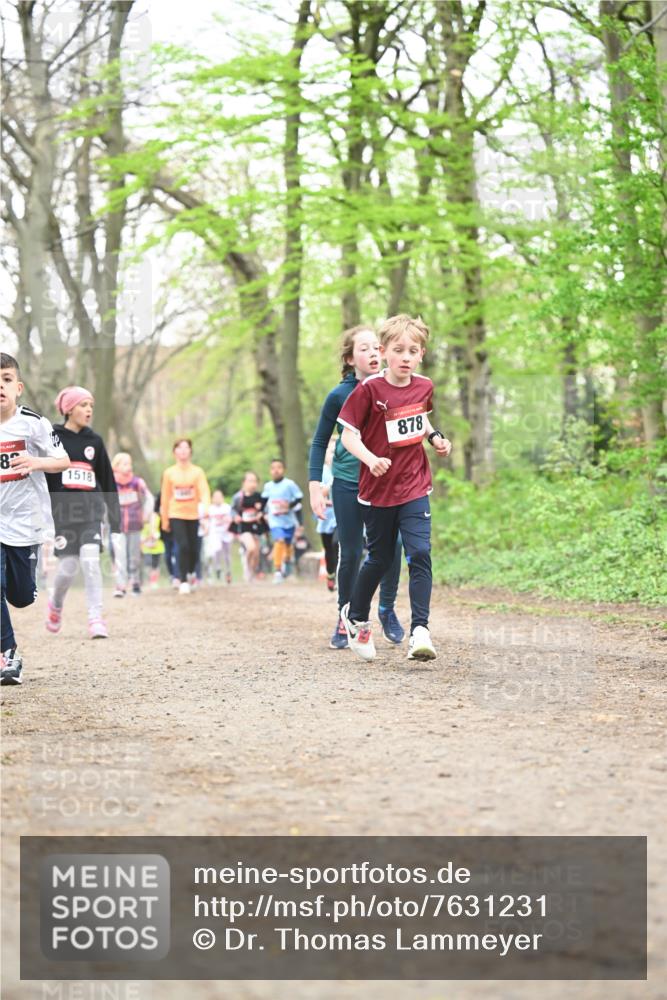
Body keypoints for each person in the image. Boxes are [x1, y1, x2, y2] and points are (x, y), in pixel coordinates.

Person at [338, 314, 451, 661]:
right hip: (377, 489)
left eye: (412, 351)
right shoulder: (368, 390)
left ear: (421, 355)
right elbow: (347, 435)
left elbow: (420, 415)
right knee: (381, 558)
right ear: (384, 352)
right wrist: (371, 459)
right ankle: (354, 617)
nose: (405, 356)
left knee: (419, 553)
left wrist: (434, 437)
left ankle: (421, 630)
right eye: (398, 350)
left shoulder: (424, 386)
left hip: (415, 483)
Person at [309, 325, 405, 650]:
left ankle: (386, 607)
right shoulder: (339, 395)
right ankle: (345, 615)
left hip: (385, 482)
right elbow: (321, 441)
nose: (374, 353)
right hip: (349, 481)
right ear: (351, 359)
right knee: (350, 551)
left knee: (393, 547)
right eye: (364, 349)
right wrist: (313, 486)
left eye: (377, 347)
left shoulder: (394, 387)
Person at [0, 354, 70, 684]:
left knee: (20, 596)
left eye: (6, 379)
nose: (0, 385)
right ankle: (7, 655)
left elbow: (63, 461)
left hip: (25, 522)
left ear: (18, 387)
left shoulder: (33, 423)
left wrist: (34, 461)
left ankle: (29, 584)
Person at [45, 385, 120, 639]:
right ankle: (55, 604)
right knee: (67, 569)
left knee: (90, 562)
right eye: (83, 405)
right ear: (68, 409)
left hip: (90, 513)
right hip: (63, 517)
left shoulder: (95, 441)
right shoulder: (52, 438)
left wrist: (116, 522)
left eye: (91, 406)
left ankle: (95, 618)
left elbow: (108, 482)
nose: (88, 410)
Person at [160, 438, 211, 594]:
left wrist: (206, 511)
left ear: (190, 451)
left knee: (194, 548)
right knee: (182, 546)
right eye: (179, 448)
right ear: (174, 452)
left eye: (186, 448)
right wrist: (165, 520)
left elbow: (204, 491)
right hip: (176, 513)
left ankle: (190, 572)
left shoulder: (197, 472)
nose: (183, 451)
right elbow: (165, 496)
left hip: (193, 514)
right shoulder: (169, 473)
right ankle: (183, 580)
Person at [111, 452, 152, 597]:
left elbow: (149, 497)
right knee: (120, 555)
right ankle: (121, 585)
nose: (128, 466)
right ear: (116, 466)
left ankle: (135, 582)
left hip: (135, 523)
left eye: (129, 463)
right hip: (117, 525)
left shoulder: (137, 482)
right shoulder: (111, 482)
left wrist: (147, 513)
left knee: (134, 555)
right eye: (125, 463)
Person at [262, 459, 303, 583]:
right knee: (279, 541)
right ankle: (278, 571)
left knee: (288, 545)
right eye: (273, 468)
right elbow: (263, 500)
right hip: (275, 521)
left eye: (279, 467)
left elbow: (299, 497)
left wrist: (288, 506)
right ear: (270, 471)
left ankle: (288, 567)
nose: (276, 470)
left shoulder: (289, 484)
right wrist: (263, 513)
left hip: (289, 521)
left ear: (283, 469)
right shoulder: (268, 486)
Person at [231, 471, 267, 582]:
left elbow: (265, 509)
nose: (253, 483)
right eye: (250, 481)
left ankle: (252, 572)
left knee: (256, 553)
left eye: (255, 481)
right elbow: (232, 510)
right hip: (243, 527)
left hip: (256, 526)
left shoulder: (259, 496)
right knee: (251, 548)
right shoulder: (238, 497)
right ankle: (247, 569)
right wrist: (235, 516)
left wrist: (261, 513)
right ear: (244, 482)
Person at [317, 439, 338, 592]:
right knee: (328, 550)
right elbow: (320, 491)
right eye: (331, 452)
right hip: (326, 517)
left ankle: (339, 575)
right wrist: (331, 483)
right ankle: (330, 574)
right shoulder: (322, 471)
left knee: (336, 544)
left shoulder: (347, 470)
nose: (334, 454)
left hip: (340, 516)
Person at [205, 488, 233, 583]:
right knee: (216, 551)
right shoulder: (210, 509)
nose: (217, 499)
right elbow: (207, 521)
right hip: (215, 534)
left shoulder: (227, 508)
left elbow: (230, 519)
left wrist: (227, 526)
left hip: (226, 533)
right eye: (215, 497)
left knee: (227, 554)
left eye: (219, 497)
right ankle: (218, 568)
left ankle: (228, 571)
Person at [141, 493, 165, 589]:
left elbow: (161, 531)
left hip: (158, 546)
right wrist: (146, 539)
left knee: (156, 565)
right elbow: (142, 533)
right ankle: (149, 580)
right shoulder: (143, 520)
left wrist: (155, 536)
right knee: (148, 565)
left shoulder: (159, 518)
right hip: (146, 547)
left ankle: (154, 581)